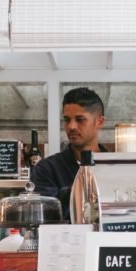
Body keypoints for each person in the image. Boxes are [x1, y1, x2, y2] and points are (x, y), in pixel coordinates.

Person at [30, 86, 106, 220]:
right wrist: (78, 188)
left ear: (99, 122)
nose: (71, 126)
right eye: (67, 120)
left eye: (80, 119)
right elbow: (46, 216)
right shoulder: (46, 169)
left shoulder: (116, 167)